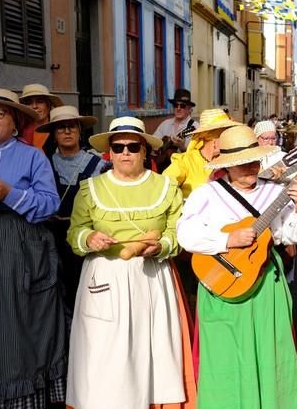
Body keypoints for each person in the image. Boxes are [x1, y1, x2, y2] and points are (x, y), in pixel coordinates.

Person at [177, 125, 297, 408]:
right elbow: (185, 235)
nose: (250, 168)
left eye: (253, 161)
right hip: (223, 284)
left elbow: (291, 235)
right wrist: (227, 238)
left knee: (271, 351)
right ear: (227, 165)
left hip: (266, 285)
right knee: (226, 356)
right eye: (241, 164)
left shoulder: (274, 192)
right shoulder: (208, 195)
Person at [66, 116, 194, 409]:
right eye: (118, 147)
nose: (125, 153)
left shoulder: (166, 187)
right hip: (104, 275)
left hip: (150, 276)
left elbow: (177, 231)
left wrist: (161, 245)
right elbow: (75, 231)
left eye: (132, 147)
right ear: (109, 152)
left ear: (145, 151)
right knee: (103, 353)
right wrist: (89, 239)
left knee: (151, 350)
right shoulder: (90, 189)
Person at [0, 88, 66, 407]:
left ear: (14, 122)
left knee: (18, 323)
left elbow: (50, 204)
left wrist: (10, 193)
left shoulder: (31, 156)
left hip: (20, 249)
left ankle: (20, 395)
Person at [36, 105, 106, 324]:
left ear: (79, 131)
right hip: (50, 240)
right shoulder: (42, 164)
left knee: (84, 293)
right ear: (54, 135)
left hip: (84, 240)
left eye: (71, 127)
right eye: (60, 128)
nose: (66, 132)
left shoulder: (99, 165)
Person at [162, 108, 241, 198]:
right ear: (213, 141)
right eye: (226, 136)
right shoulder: (185, 162)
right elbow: (163, 188)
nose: (230, 141)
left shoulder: (230, 161)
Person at [19, 83, 65, 151]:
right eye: (29, 103)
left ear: (48, 105)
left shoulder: (60, 129)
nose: (34, 106)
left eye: (40, 101)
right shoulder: (18, 131)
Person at [153, 88, 199, 153]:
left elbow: (196, 155)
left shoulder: (196, 127)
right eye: (176, 105)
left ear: (189, 108)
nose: (178, 108)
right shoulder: (165, 124)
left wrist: (182, 147)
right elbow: (153, 142)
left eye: (182, 106)